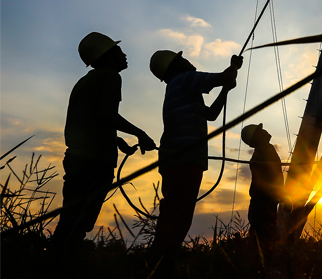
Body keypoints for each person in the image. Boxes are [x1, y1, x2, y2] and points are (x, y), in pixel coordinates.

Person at [51, 32, 156, 259]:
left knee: (71, 219)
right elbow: (107, 113)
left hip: (78, 159)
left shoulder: (85, 81)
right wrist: (140, 133)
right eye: (118, 50)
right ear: (107, 56)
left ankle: (52, 263)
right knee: (79, 222)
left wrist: (115, 140)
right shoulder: (110, 76)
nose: (124, 54)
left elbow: (90, 119)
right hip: (95, 162)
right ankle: (60, 265)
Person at [147, 50, 243, 270]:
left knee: (177, 214)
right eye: (182, 59)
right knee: (177, 215)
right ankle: (159, 265)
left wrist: (226, 90)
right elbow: (224, 77)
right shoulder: (184, 79)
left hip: (179, 159)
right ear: (174, 65)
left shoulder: (180, 87)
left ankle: (161, 262)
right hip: (184, 159)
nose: (188, 60)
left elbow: (211, 114)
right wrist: (234, 67)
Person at [241, 123, 288, 249]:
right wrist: (284, 197)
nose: (265, 131)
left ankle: (256, 258)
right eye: (260, 131)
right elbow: (272, 177)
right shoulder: (265, 151)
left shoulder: (263, 151)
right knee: (264, 239)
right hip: (263, 203)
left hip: (262, 203)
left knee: (261, 238)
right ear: (255, 137)